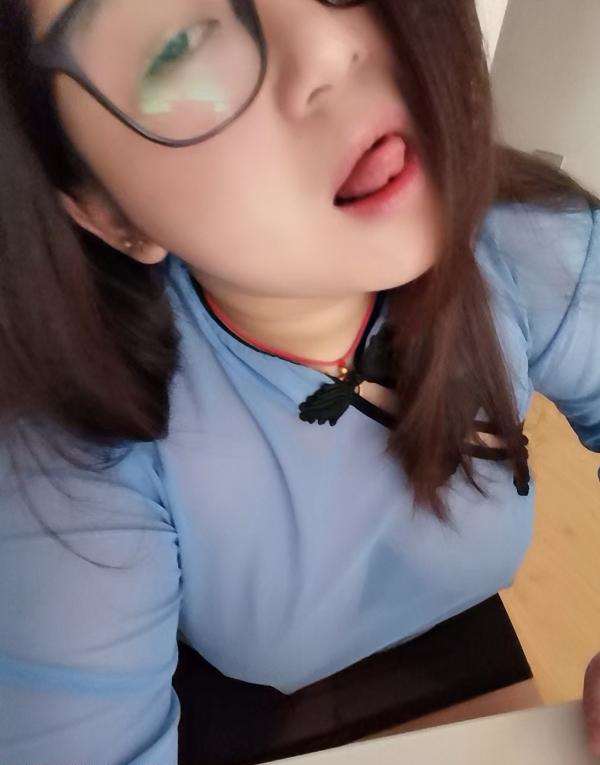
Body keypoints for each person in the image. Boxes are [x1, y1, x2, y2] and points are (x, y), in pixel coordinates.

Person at [1, 0, 599, 763]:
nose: (326, 47)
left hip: (465, 651)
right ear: (105, 211)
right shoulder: (71, 460)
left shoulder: (518, 235)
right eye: (179, 45)